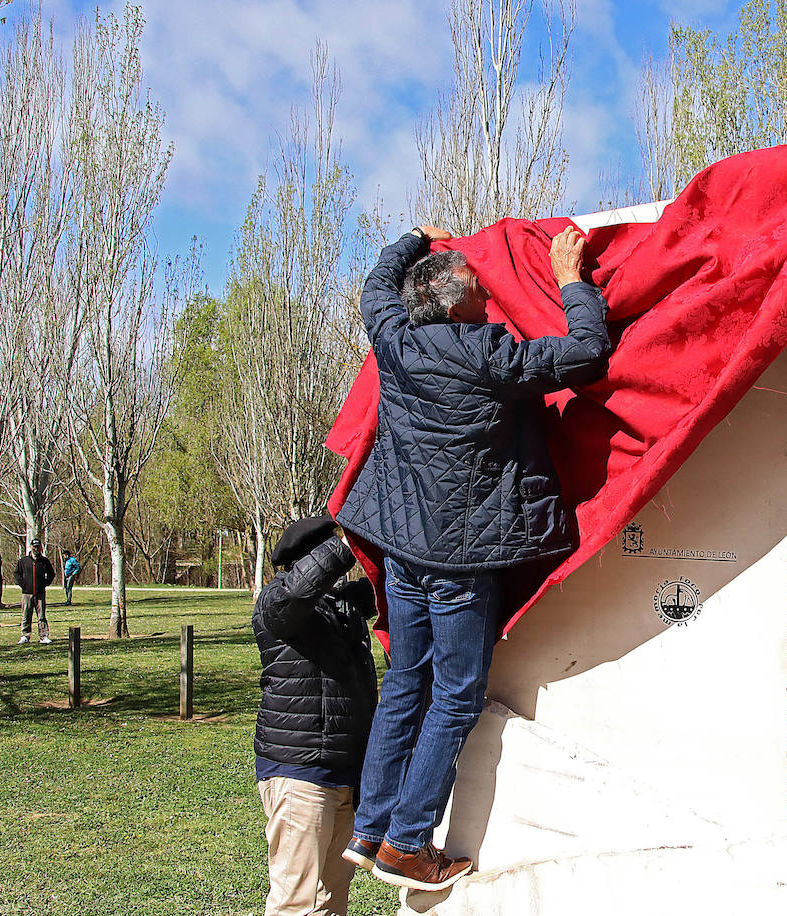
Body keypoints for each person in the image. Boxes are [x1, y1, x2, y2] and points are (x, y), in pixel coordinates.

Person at [336, 224, 611, 891]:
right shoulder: (488, 355)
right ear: (457, 305)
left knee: (407, 681)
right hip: (461, 557)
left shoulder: (394, 341)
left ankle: (371, 826)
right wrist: (571, 277)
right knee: (455, 698)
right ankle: (405, 844)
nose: (490, 299)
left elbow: (376, 284)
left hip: (405, 548)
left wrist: (410, 240)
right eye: (482, 292)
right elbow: (587, 352)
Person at [254, 516, 378, 916]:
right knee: (295, 903)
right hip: (300, 775)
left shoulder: (342, 608)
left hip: (344, 776)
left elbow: (384, 585)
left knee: (330, 901)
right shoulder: (277, 602)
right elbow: (299, 591)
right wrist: (348, 542)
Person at [15, 539, 56, 645]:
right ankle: (25, 635)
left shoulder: (44, 561)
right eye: (34, 546)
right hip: (27, 593)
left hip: (40, 593)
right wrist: (23, 585)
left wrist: (45, 583)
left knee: (41, 616)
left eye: (38, 547)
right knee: (26, 615)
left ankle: (44, 636)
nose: (36, 549)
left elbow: (51, 573)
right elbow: (17, 574)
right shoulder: (23, 561)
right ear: (31, 547)